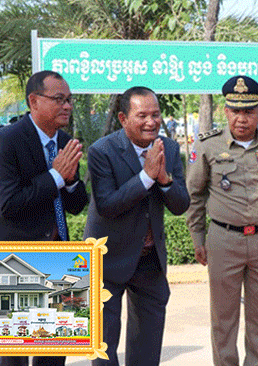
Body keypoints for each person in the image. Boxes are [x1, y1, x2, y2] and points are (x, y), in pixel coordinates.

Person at [0, 70, 88, 366]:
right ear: (34, 101)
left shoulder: (66, 141)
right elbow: (8, 203)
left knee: (53, 353)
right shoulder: (6, 141)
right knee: (14, 353)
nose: (67, 106)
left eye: (69, 100)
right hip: (10, 260)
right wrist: (55, 176)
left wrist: (72, 180)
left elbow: (77, 205)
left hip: (57, 259)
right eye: (59, 99)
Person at [186, 75, 258, 366]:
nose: (241, 118)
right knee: (223, 320)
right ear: (225, 111)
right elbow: (194, 196)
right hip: (224, 240)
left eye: (249, 111)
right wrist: (198, 239)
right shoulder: (208, 146)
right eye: (235, 111)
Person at [83, 86, 189, 366]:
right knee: (104, 347)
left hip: (149, 261)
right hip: (107, 258)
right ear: (122, 118)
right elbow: (107, 205)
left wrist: (164, 180)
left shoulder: (170, 148)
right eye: (142, 115)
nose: (151, 122)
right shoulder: (101, 151)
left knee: (147, 345)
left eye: (155, 115)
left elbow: (180, 205)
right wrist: (145, 176)